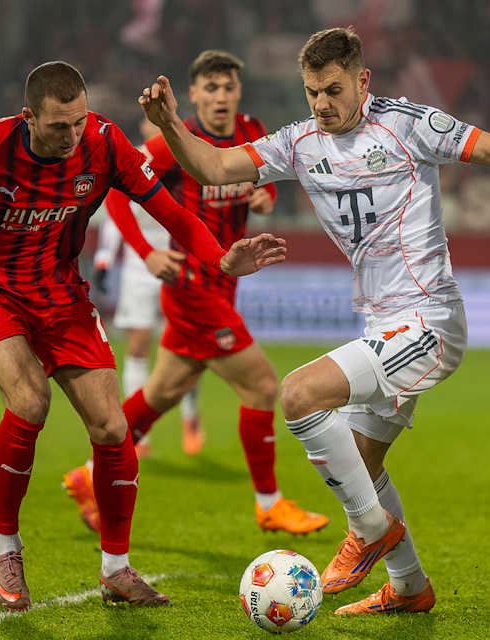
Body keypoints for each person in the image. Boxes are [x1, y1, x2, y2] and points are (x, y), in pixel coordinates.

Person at [139, 27, 490, 615]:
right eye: (311, 93)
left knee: (299, 394)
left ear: (362, 81)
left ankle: (370, 532)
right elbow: (213, 166)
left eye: (332, 90)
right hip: (382, 325)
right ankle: (409, 588)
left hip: (428, 318)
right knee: (359, 459)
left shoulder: (407, 125)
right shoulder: (300, 142)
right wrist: (172, 124)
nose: (322, 104)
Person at [0, 61, 286, 612]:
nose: (72, 137)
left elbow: (171, 212)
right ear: (28, 117)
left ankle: (116, 569)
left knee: (113, 426)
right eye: (59, 126)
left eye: (79, 123)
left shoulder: (104, 142)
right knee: (30, 399)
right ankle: (4, 546)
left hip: (60, 292)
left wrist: (220, 257)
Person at [64, 50, 328, 536]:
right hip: (191, 284)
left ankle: (88, 474)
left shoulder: (253, 131)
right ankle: (269, 502)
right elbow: (119, 191)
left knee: (162, 393)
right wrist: (144, 252)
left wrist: (264, 195)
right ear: (195, 95)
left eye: (228, 87)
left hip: (225, 284)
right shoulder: (176, 142)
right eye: (211, 88)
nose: (220, 97)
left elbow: (262, 185)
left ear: (238, 92)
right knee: (263, 386)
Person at [90, 116, 204, 459]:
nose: (157, 130)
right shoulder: (133, 162)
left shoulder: (185, 160)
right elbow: (115, 211)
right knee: (139, 345)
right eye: (152, 123)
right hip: (140, 266)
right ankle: (138, 435)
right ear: (142, 127)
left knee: (185, 349)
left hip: (179, 261)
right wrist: (104, 260)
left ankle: (190, 418)